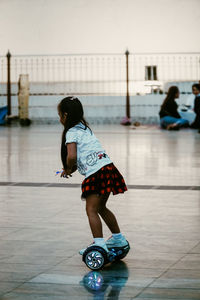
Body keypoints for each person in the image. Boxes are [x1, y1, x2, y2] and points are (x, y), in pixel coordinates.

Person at [57, 96, 129, 255]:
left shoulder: (71, 132)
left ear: (66, 116)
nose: (59, 118)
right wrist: (71, 169)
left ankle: (100, 244)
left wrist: (68, 168)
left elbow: (72, 157)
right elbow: (85, 156)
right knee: (101, 207)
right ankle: (118, 238)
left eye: (60, 114)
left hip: (97, 174)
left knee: (91, 210)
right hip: (107, 168)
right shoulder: (84, 127)